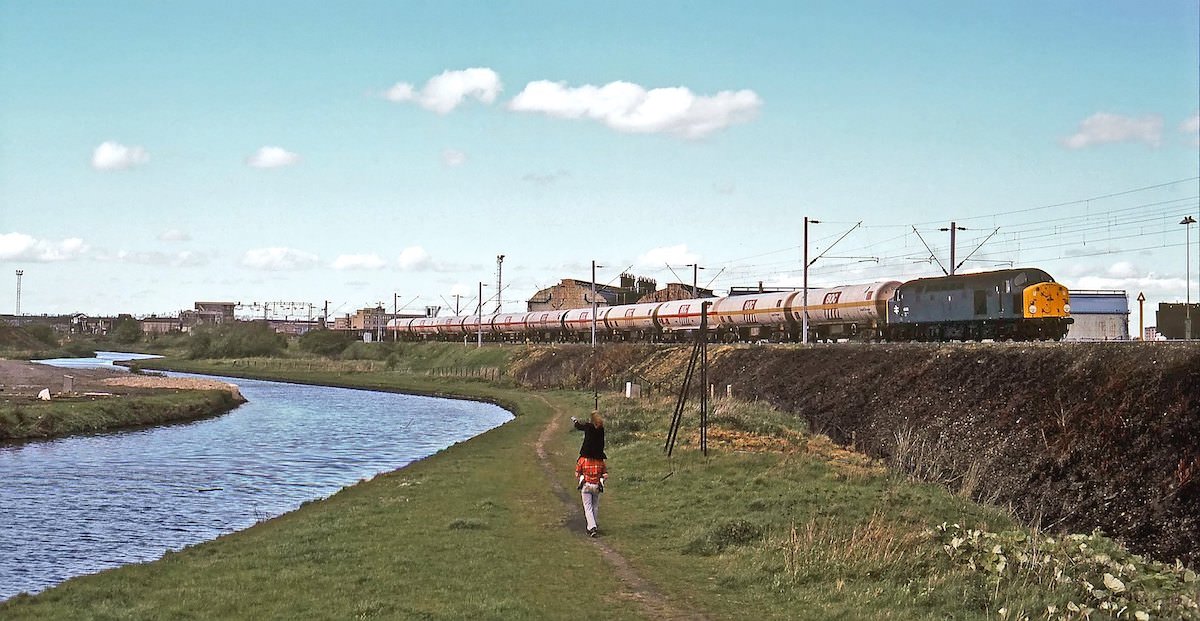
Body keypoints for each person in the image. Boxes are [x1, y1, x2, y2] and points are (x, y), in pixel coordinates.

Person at [571, 410, 607, 537]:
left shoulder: (588, 427)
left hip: (586, 485)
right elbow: (605, 473)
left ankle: (592, 527)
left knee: (588, 507)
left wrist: (575, 420)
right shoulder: (601, 429)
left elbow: (579, 426)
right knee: (595, 505)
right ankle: (594, 525)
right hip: (597, 484)